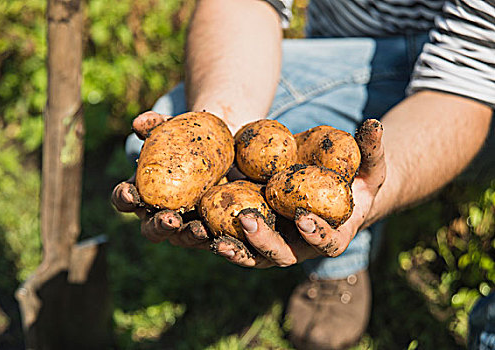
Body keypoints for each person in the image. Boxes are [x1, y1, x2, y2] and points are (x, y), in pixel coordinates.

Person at [112, 0, 494, 348]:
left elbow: (468, 82)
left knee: (344, 167)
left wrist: (377, 189)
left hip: (479, 80)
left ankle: (349, 239)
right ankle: (335, 235)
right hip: (348, 54)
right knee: (164, 125)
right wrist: (221, 128)